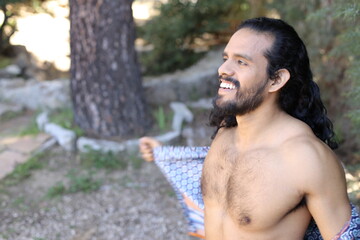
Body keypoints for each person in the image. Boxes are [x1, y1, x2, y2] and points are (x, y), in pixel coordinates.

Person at [139, 17, 360, 240]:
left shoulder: (306, 158)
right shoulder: (226, 135)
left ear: (276, 80)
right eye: (226, 58)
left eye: (241, 62)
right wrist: (165, 154)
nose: (223, 69)